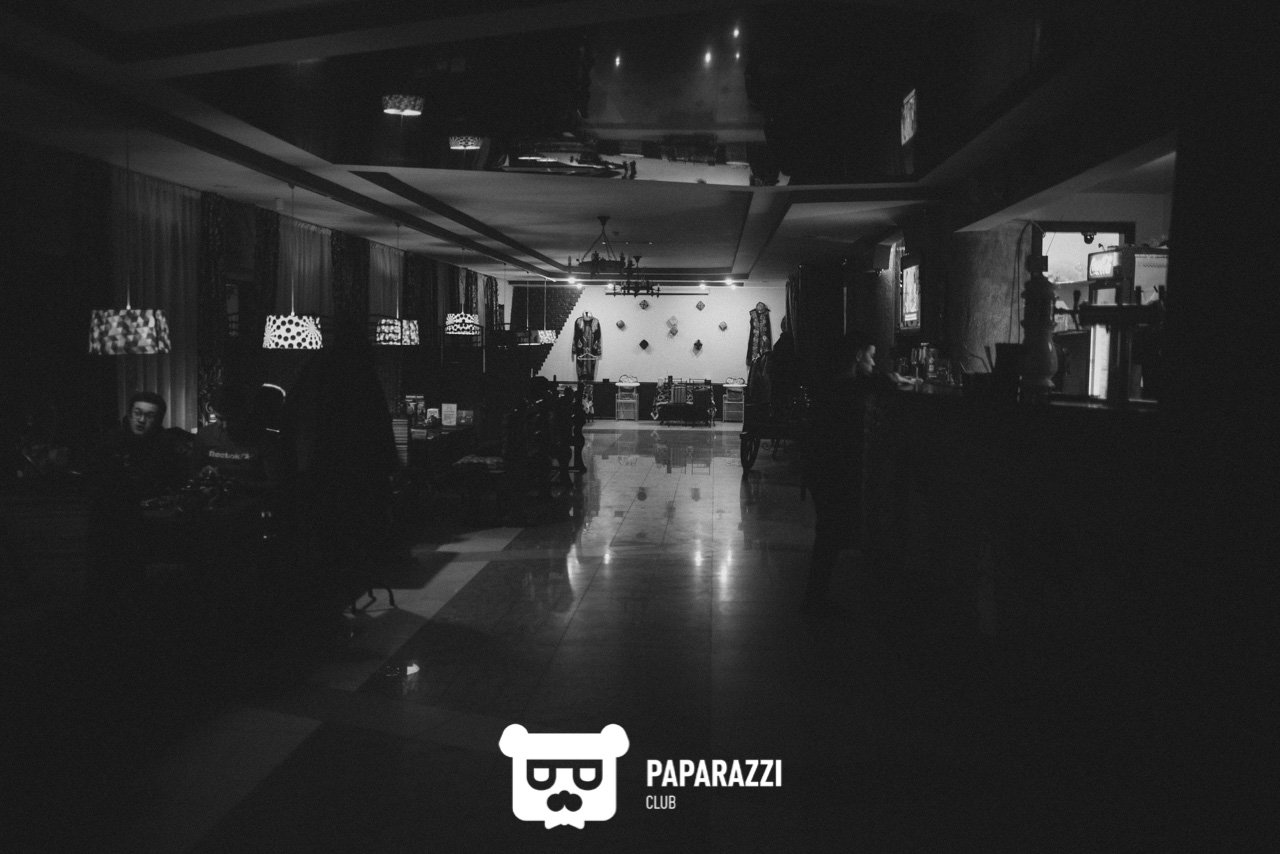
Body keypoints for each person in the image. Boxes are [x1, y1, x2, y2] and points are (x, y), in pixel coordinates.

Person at [800, 333, 915, 614]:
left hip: (820, 468)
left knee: (829, 532)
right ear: (857, 356)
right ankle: (817, 602)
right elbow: (879, 383)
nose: (874, 362)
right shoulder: (849, 387)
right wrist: (895, 378)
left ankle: (816, 599)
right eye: (871, 355)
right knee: (832, 533)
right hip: (832, 470)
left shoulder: (834, 385)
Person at [88, 390, 186, 500]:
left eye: (150, 416)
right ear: (130, 414)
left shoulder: (167, 446)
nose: (142, 420)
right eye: (137, 413)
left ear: (158, 420)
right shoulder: (111, 442)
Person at [194, 383, 281, 493]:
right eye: (220, 418)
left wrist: (242, 486)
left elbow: (277, 484)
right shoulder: (204, 436)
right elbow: (194, 473)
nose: (225, 426)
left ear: (243, 413)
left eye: (231, 419)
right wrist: (202, 474)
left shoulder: (265, 440)